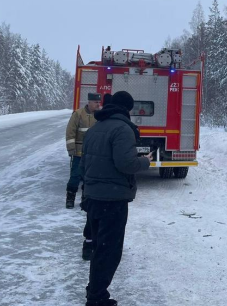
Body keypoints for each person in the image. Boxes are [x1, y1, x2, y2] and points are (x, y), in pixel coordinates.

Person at [80, 91, 152, 306]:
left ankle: (94, 288)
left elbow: (83, 165)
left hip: (93, 197)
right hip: (112, 199)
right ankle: (96, 297)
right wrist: (144, 161)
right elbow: (126, 164)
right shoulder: (123, 129)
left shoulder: (95, 128)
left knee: (98, 247)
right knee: (109, 251)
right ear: (128, 109)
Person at [80, 93, 114, 261]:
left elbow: (85, 159)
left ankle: (88, 246)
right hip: (105, 185)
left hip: (92, 181)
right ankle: (98, 248)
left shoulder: (95, 126)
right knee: (105, 220)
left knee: (92, 217)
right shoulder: (112, 126)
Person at [65, 93, 102, 208]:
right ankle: (70, 198)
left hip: (94, 153)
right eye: (95, 102)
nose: (98, 104)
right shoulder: (78, 114)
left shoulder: (101, 115)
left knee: (89, 177)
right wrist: (71, 149)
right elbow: (70, 131)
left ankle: (85, 199)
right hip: (79, 153)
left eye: (98, 102)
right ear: (89, 102)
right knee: (75, 176)